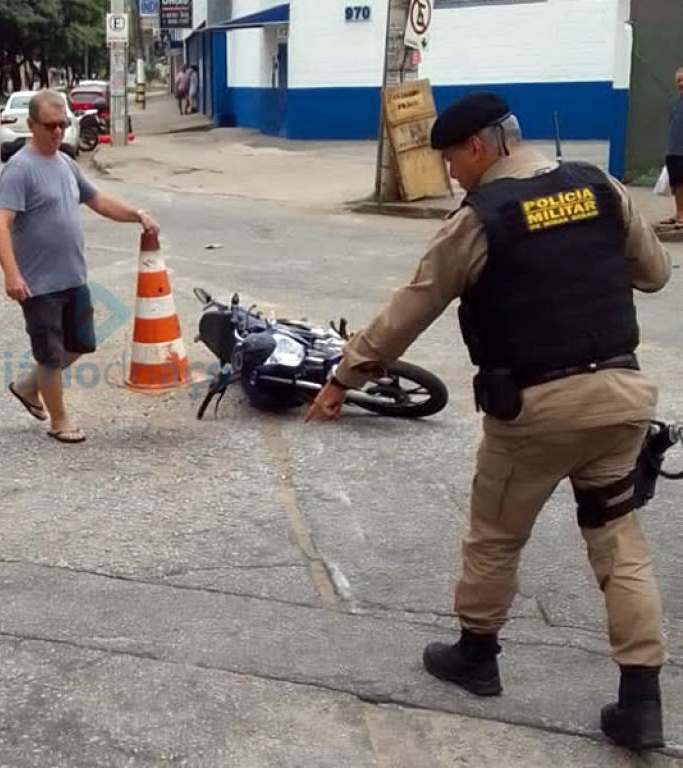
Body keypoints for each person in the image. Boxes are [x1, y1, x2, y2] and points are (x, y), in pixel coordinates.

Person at [305, 92, 673, 751]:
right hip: (620, 399)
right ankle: (642, 701)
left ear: (479, 147)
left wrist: (343, 378)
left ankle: (477, 655)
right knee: (618, 540)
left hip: (535, 411)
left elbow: (411, 308)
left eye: (452, 160)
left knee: (496, 536)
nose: (450, 175)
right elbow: (655, 274)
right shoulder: (600, 187)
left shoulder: (482, 218)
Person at [0, 89, 160, 444]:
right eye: (50, 126)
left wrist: (136, 215)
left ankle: (27, 386)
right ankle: (60, 421)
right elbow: (1, 224)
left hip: (73, 277)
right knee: (50, 355)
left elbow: (97, 200)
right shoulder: (20, 169)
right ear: (32, 125)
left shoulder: (66, 164)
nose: (57, 132)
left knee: (81, 344)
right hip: (38, 285)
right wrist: (11, 274)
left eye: (62, 124)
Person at [660, 66, 683, 228]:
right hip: (673, 149)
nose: (681, 83)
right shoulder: (674, 102)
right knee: (675, 185)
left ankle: (682, 215)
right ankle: (678, 212)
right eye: (679, 80)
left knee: (682, 184)